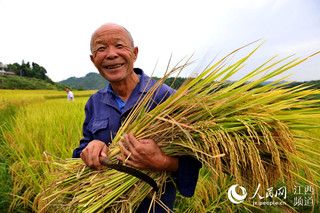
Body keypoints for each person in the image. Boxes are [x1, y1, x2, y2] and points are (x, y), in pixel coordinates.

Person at [72, 23, 201, 212]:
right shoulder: (94, 102)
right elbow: (81, 152)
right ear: (93, 60)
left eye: (119, 46)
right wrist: (90, 149)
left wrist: (164, 162)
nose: (111, 54)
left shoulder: (167, 98)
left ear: (134, 53)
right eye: (101, 48)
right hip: (104, 205)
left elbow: (195, 161)